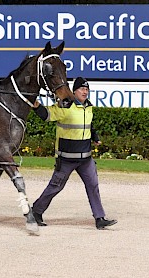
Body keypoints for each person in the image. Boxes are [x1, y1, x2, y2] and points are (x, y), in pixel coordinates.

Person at [31, 77, 117, 230]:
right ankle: (36, 211)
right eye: (82, 89)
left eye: (87, 89)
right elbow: (47, 115)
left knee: (93, 185)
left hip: (85, 158)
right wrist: (36, 105)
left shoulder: (88, 107)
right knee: (55, 187)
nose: (85, 91)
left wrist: (95, 137)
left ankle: (99, 218)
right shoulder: (65, 105)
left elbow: (88, 125)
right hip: (67, 158)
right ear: (74, 91)